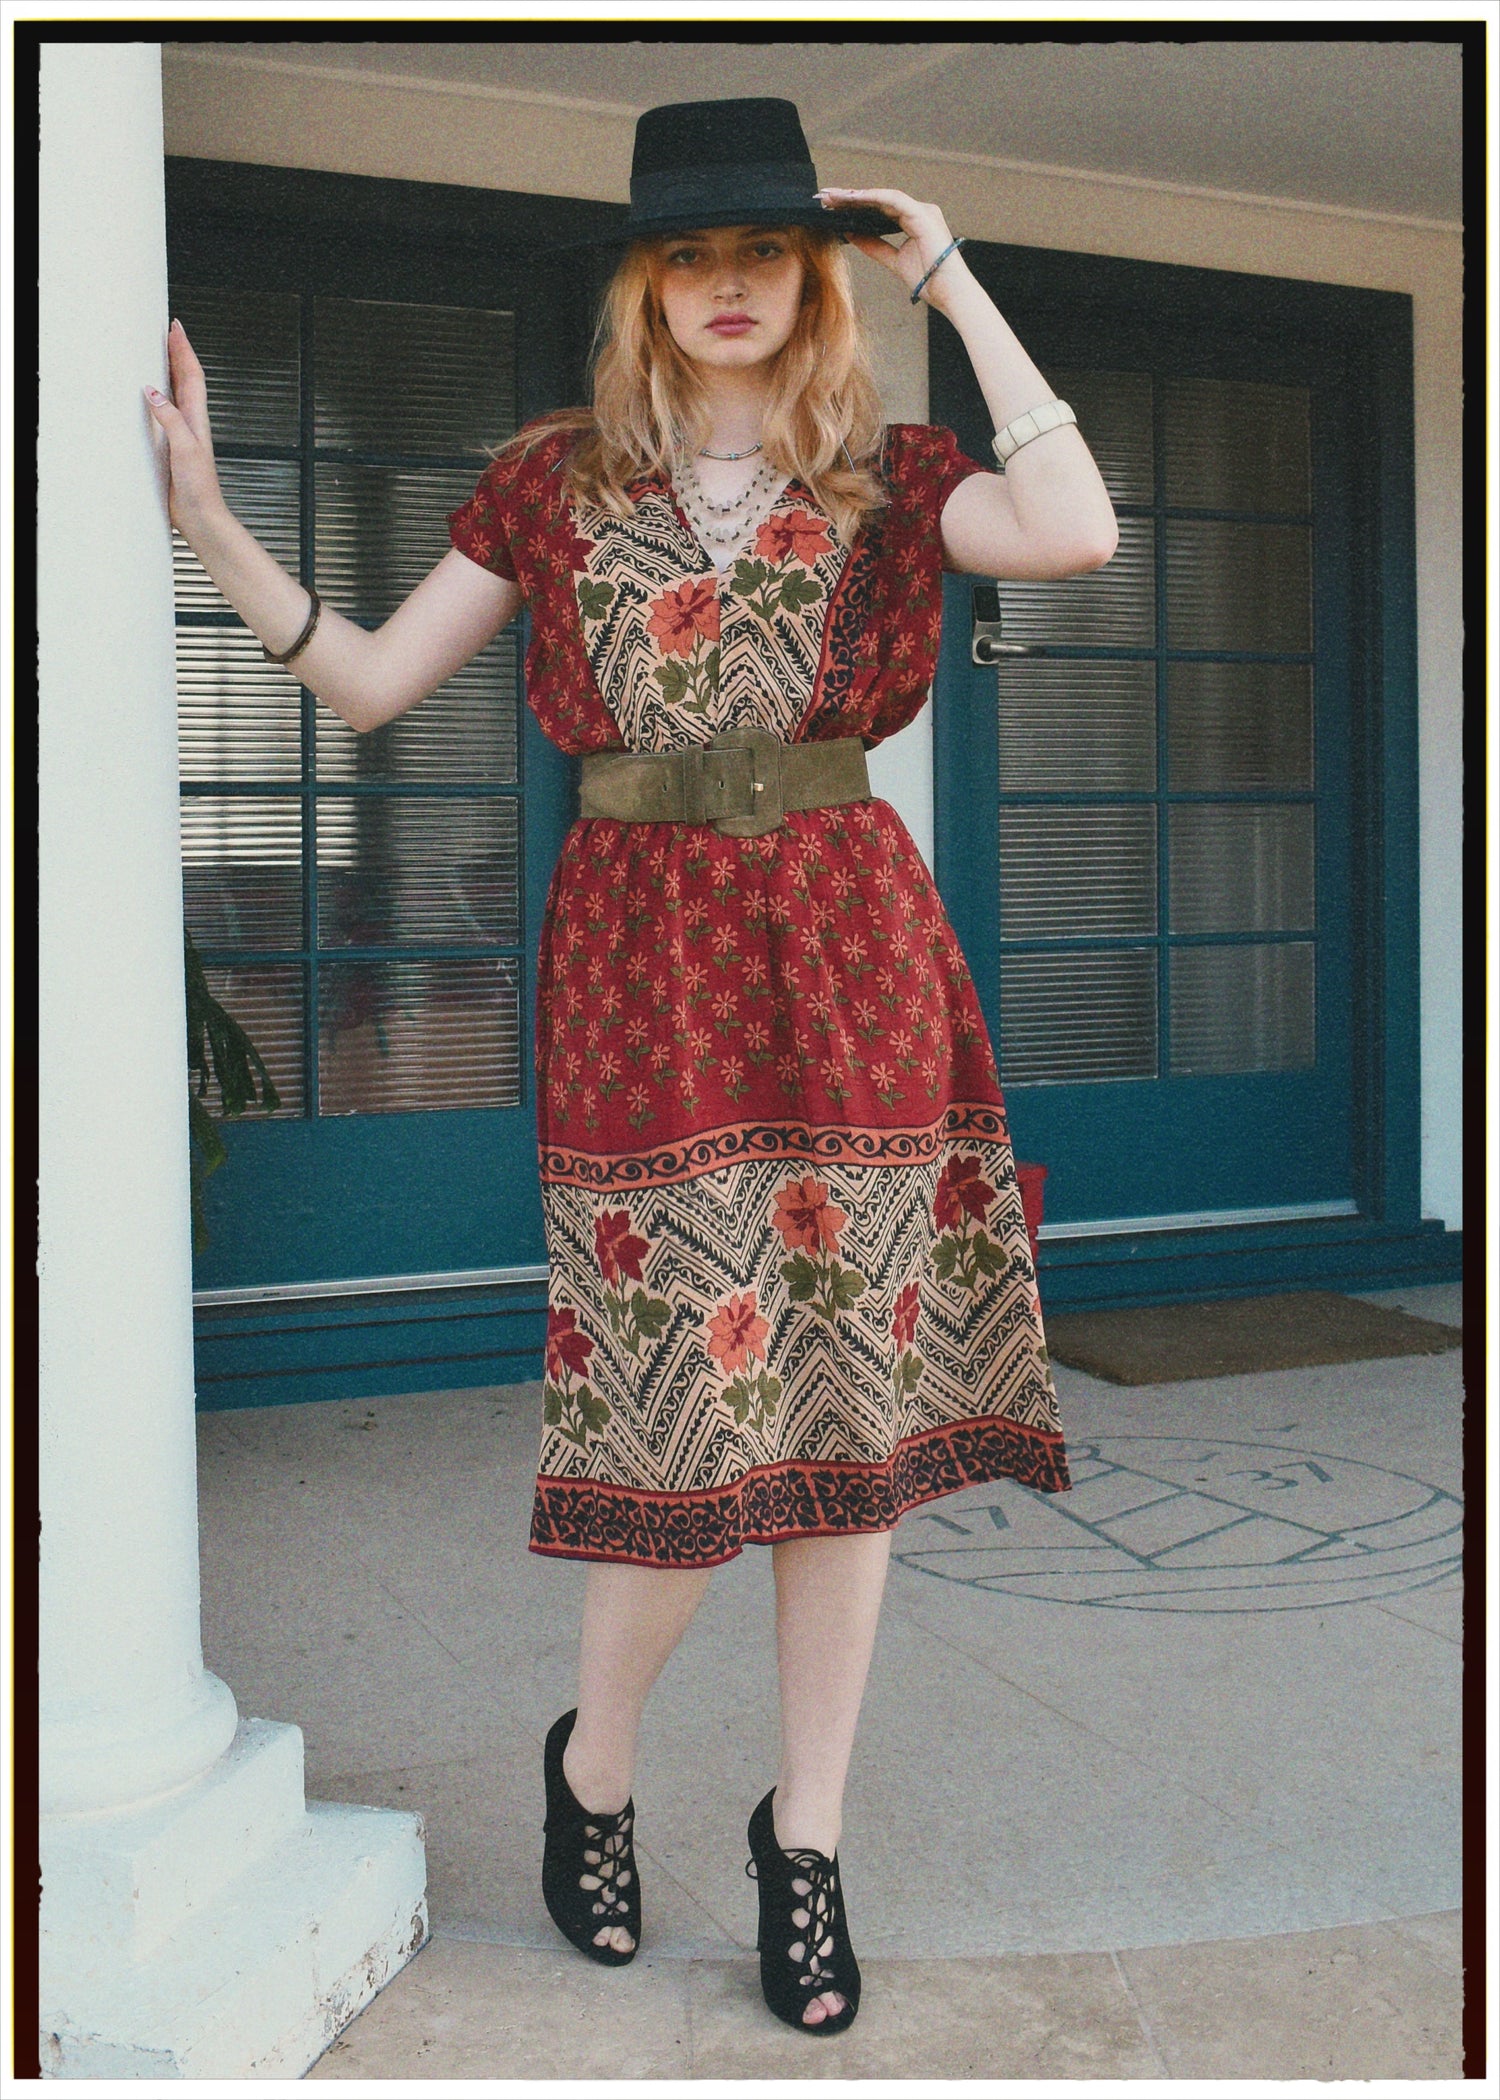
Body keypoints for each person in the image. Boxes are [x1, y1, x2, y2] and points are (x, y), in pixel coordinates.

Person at [146, 96, 1116, 2037]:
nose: (735, 286)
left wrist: (943, 260)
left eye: (770, 252)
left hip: (854, 964)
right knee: (668, 1436)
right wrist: (211, 524)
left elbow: (1078, 527)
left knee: (844, 1440)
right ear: (648, 285)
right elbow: (366, 675)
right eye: (696, 255)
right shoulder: (549, 483)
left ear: (816, 277)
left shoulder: (892, 473)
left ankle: (807, 1840)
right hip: (640, 981)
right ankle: (595, 1765)